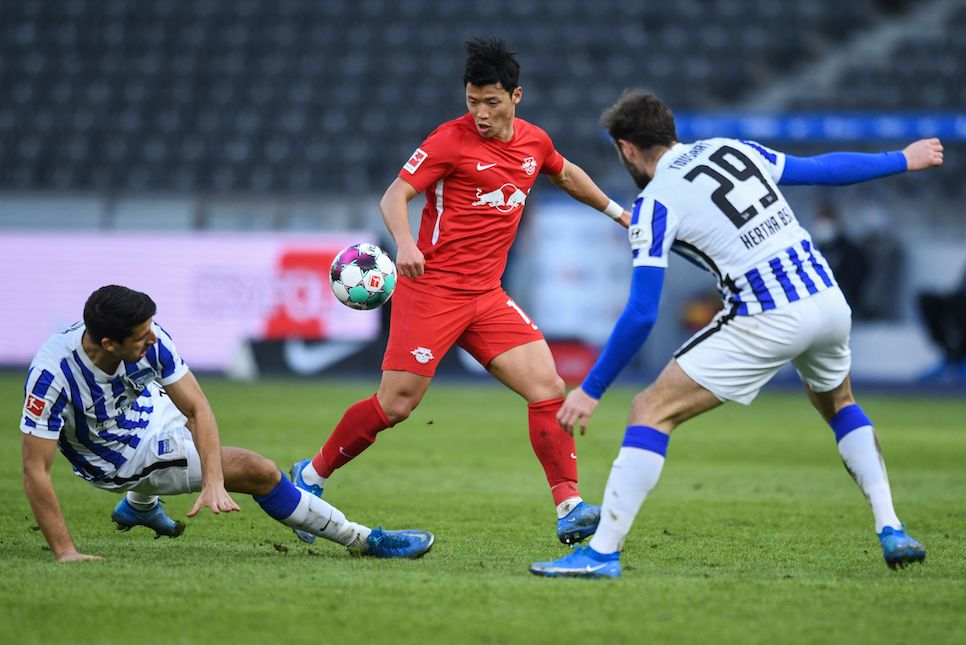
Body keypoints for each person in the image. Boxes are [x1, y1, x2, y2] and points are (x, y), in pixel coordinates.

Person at [529, 90, 944, 578]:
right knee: (839, 404)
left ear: (626, 149)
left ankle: (600, 554)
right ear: (670, 130)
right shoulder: (733, 149)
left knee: (649, 411)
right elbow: (824, 168)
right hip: (827, 300)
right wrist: (903, 158)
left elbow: (642, 312)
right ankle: (891, 526)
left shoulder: (654, 203)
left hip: (767, 313)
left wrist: (591, 389)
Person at [289, 38, 631, 546]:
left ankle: (570, 507)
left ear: (517, 96)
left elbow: (564, 173)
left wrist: (620, 215)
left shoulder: (534, 141)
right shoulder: (450, 140)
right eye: (472, 102)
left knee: (547, 387)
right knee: (396, 405)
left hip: (486, 296)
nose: (481, 114)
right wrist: (405, 243)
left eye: (491, 103)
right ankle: (309, 478)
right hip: (431, 290)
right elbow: (395, 195)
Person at [21, 285, 434, 562]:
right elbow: (35, 470)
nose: (153, 339)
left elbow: (197, 407)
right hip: (117, 455)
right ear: (109, 343)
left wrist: (212, 478)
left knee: (190, 427)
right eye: (141, 336)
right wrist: (65, 551)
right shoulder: (52, 377)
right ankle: (362, 540)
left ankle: (139, 508)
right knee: (260, 471)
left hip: (145, 408)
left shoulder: (148, 341)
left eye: (150, 329)